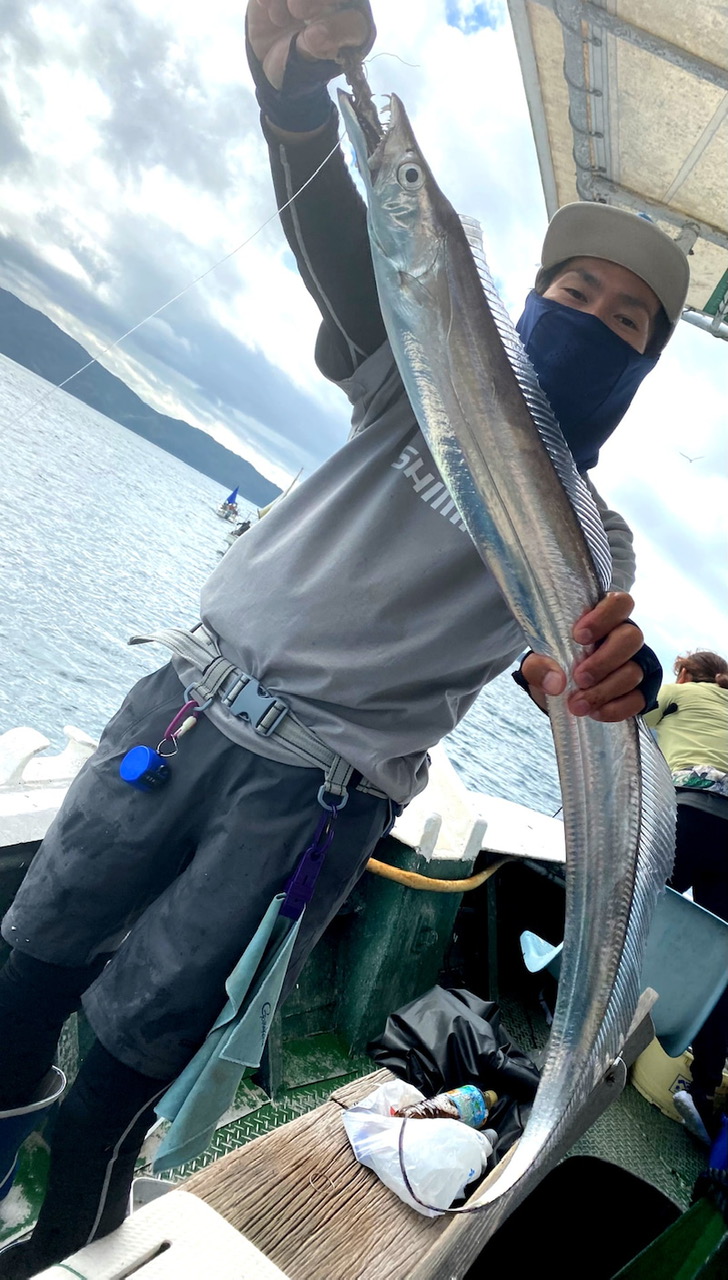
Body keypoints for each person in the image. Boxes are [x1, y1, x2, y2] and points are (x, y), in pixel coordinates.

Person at [0, 3, 689, 1275]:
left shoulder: (593, 540)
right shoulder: (410, 381)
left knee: (131, 1057)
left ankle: (65, 1243)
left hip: (308, 797)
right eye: (569, 290)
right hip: (180, 711)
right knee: (22, 975)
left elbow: (569, 668)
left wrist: (622, 679)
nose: (591, 313)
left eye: (624, 317)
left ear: (639, 367)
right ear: (518, 301)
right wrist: (292, 102)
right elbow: (340, 247)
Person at [644, 651, 728, 1143]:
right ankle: (703, 1089)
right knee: (721, 963)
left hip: (690, 813)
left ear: (682, 673)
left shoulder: (680, 692)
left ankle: (576, 1014)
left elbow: (629, 721)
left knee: (633, 916)